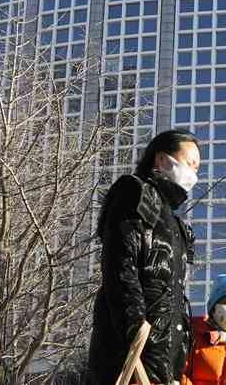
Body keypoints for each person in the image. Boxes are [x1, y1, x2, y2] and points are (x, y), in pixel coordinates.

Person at [88, 129, 201, 385]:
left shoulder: (176, 225)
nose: (193, 173)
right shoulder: (135, 192)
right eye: (189, 162)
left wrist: (179, 354)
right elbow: (121, 266)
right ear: (161, 159)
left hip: (163, 361)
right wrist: (135, 331)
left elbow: (174, 294)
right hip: (131, 353)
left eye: (197, 168)